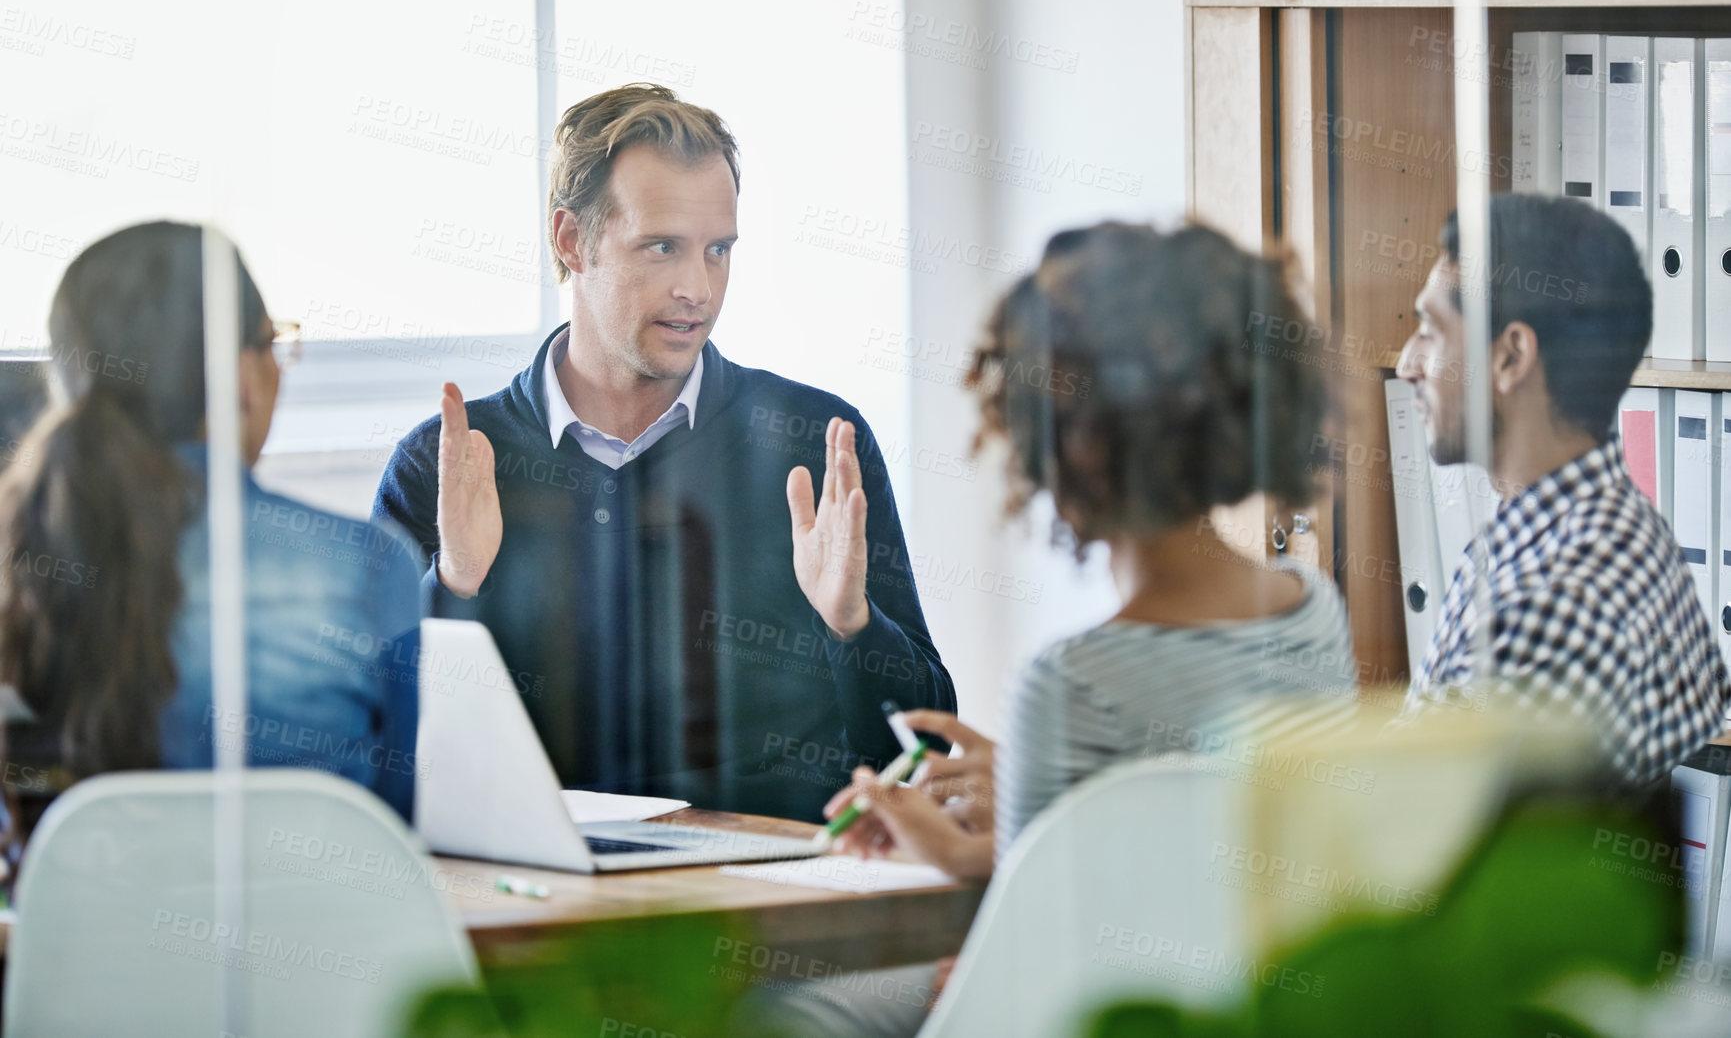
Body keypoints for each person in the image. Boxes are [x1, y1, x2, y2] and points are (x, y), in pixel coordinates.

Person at [741, 222, 1360, 1037]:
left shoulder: (1073, 679)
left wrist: (939, 834)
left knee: (779, 1007)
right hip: (1244, 1002)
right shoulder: (1314, 609)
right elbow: (1186, 848)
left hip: (1090, 1010)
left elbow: (1040, 945)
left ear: (1068, 449)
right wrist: (1037, 795)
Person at [373, 84, 955, 821]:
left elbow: (923, 745)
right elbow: (376, 742)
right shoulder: (446, 464)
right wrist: (452, 585)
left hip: (774, 898)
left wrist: (854, 625)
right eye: (662, 247)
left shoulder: (815, 442)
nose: (697, 289)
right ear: (571, 240)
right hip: (544, 896)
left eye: (718, 251)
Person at [0, 221, 423, 862]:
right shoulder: (366, 568)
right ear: (241, 378)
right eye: (273, 345)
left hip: (76, 961)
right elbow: (396, 834)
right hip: (323, 953)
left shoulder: (20, 563)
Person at [1397, 193, 1728, 785]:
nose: (1407, 363)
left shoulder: (1550, 605)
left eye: (1430, 330)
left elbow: (1413, 855)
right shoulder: (1601, 527)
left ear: (1510, 356)